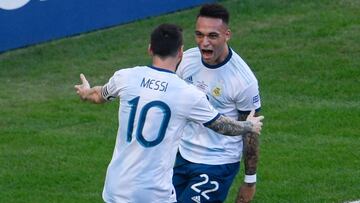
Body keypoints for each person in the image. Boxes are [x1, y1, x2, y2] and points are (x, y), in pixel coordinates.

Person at [74, 23, 264, 202]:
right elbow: (222, 125)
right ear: (181, 52)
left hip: (116, 188)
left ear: (150, 49)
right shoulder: (187, 94)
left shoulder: (125, 77)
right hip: (154, 193)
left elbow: (99, 95)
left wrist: (85, 92)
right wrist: (249, 126)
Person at [173, 4, 263, 203]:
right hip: (183, 156)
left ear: (227, 35)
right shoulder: (187, 60)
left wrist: (249, 181)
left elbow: (251, 132)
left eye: (212, 36)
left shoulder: (243, 80)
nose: (204, 43)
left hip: (217, 163)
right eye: (199, 35)